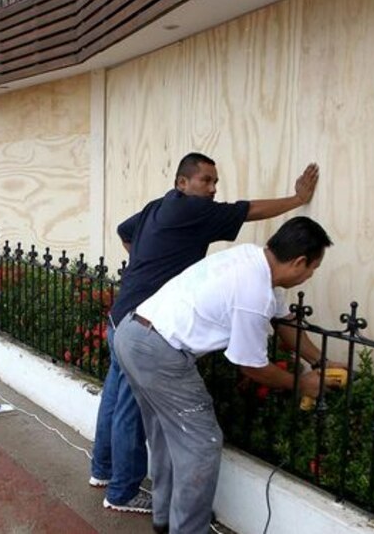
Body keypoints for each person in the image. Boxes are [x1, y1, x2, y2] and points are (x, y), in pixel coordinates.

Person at [91, 153, 319, 514]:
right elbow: (249, 210)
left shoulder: (160, 206)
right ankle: (121, 492)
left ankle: (102, 472)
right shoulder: (195, 211)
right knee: (130, 409)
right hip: (144, 320)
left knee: (114, 398)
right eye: (206, 181)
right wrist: (296, 200)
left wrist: (149, 265)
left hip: (125, 314)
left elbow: (124, 231)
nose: (213, 189)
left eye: (215, 182)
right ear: (183, 183)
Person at [114, 216, 342, 533]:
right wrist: (302, 383)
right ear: (299, 262)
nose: (309, 276)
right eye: (312, 269)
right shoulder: (254, 293)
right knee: (202, 442)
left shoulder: (252, 259)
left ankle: (165, 519)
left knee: (167, 433)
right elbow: (251, 365)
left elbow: (285, 322)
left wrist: (321, 361)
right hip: (159, 352)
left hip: (133, 332)